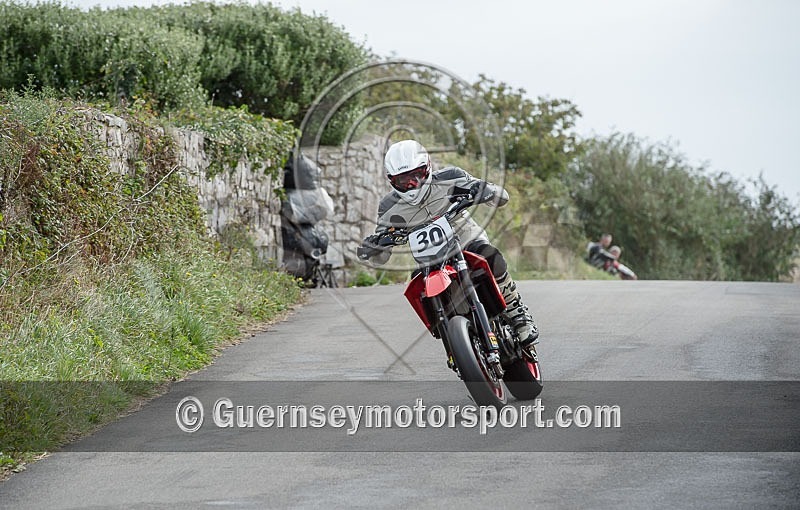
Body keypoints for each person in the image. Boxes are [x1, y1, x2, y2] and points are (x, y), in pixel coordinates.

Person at [359, 140, 539, 347]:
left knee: (489, 256)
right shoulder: (388, 207)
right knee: (418, 286)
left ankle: (518, 315)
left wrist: (489, 191)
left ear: (426, 168)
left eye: (416, 176)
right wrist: (376, 247)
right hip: (429, 259)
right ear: (392, 181)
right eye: (403, 181)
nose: (411, 185)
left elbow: (497, 194)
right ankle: (450, 339)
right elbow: (382, 252)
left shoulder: (450, 177)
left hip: (467, 241)